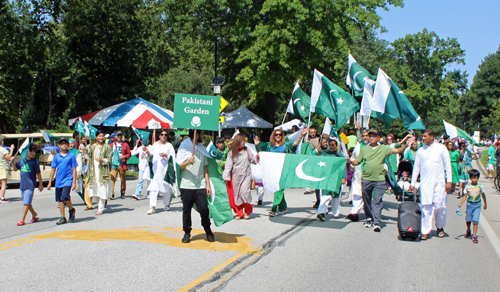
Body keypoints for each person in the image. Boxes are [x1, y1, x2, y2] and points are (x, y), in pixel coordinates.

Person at [349, 129, 414, 232]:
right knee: (366, 201)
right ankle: (369, 218)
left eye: (374, 136)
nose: (371, 138)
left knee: (377, 201)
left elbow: (397, 151)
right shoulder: (364, 149)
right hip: (366, 179)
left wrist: (406, 145)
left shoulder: (383, 148)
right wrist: (348, 160)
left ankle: (376, 222)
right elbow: (357, 162)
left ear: (378, 138)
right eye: (370, 136)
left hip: (379, 180)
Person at [410, 129, 452, 240]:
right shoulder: (420, 151)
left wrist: (449, 181)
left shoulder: (441, 148)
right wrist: (413, 183)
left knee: (440, 206)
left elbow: (448, 165)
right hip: (425, 183)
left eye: (425, 136)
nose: (423, 138)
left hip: (439, 183)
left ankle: (440, 227)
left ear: (432, 137)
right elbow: (416, 168)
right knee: (426, 207)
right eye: (422, 136)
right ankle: (425, 231)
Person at [254, 127, 305, 216]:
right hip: (273, 170)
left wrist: (301, 135)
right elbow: (260, 149)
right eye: (276, 134)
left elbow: (296, 144)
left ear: (282, 136)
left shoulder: (286, 145)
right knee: (277, 189)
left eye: (280, 134)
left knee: (279, 189)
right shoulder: (269, 145)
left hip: (283, 170)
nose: (278, 136)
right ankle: (283, 207)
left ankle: (273, 209)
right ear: (273, 136)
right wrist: (257, 144)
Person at [177, 129, 214, 243]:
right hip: (186, 185)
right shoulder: (184, 148)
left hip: (200, 185)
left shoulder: (202, 149)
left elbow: (205, 168)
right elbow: (179, 167)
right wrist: (188, 161)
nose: (204, 135)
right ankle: (187, 233)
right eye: (202, 134)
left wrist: (208, 185)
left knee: (204, 209)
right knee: (186, 211)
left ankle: (208, 230)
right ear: (196, 135)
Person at [223, 134, 258, 220]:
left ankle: (248, 211)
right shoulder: (231, 152)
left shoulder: (247, 150)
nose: (245, 142)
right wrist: (226, 176)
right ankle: (239, 213)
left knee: (244, 193)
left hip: (246, 175)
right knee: (236, 196)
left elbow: (253, 160)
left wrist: (257, 157)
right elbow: (228, 165)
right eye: (243, 141)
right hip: (236, 177)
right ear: (238, 141)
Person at [144, 129, 176, 215]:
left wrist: (166, 155)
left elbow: (173, 157)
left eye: (165, 135)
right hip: (156, 170)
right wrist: (147, 151)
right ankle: (152, 207)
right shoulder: (155, 145)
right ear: (159, 135)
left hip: (165, 170)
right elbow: (150, 155)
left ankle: (166, 204)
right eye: (162, 134)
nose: (164, 136)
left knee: (166, 188)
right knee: (154, 188)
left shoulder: (169, 146)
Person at [47, 138, 78, 225]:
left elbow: (74, 169)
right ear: (59, 146)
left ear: (68, 145)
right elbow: (53, 169)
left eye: (66, 143)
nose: (64, 145)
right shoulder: (57, 156)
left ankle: (71, 209)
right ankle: (62, 217)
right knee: (60, 199)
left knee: (65, 196)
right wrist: (49, 182)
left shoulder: (71, 156)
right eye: (62, 144)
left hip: (68, 179)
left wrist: (74, 182)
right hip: (59, 180)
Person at [11, 144, 42, 226]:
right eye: (31, 151)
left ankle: (22, 219)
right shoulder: (21, 160)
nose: (32, 153)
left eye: (34, 152)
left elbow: (39, 174)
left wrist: (40, 184)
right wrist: (12, 162)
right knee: (26, 202)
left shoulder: (35, 162)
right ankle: (34, 214)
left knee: (26, 203)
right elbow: (15, 169)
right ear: (26, 151)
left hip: (30, 185)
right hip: (22, 185)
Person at [316, 139, 347, 221]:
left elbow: (343, 167)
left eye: (333, 145)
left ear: (336, 146)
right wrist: (318, 152)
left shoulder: (340, 156)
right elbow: (318, 162)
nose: (331, 147)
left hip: (336, 179)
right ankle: (321, 212)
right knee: (325, 196)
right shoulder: (325, 155)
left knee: (335, 197)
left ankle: (335, 212)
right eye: (330, 145)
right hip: (326, 179)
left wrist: (344, 177)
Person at [85, 131, 113, 215]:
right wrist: (83, 152)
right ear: (96, 137)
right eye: (99, 136)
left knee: (102, 189)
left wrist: (102, 160)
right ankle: (100, 204)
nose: (101, 138)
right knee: (95, 190)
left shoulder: (107, 147)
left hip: (102, 172)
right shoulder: (93, 147)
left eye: (102, 136)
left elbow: (109, 159)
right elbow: (89, 158)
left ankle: (100, 208)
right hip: (93, 172)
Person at [458, 169, 487, 244]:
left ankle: (474, 235)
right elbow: (465, 196)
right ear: (470, 178)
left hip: (477, 204)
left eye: (477, 178)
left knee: (475, 220)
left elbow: (483, 195)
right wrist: (461, 203)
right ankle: (468, 230)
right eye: (474, 178)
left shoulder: (480, 186)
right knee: (468, 219)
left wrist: (485, 203)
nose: (475, 179)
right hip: (469, 204)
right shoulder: (467, 187)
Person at [346, 129, 369, 222]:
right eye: (363, 136)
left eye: (367, 135)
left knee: (368, 195)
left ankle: (370, 214)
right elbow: (354, 157)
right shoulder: (358, 145)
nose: (365, 137)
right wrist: (351, 165)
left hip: (370, 175)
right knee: (356, 193)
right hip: (358, 173)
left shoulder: (375, 146)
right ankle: (354, 213)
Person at [110, 131, 131, 199]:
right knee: (112, 178)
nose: (119, 137)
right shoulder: (112, 145)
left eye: (120, 135)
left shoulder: (125, 144)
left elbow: (129, 153)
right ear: (115, 136)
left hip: (122, 164)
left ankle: (122, 192)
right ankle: (112, 193)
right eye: (118, 135)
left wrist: (124, 156)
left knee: (123, 179)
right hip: (114, 163)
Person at [312, 136, 328, 208]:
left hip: (326, 171)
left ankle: (325, 201)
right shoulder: (317, 150)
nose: (326, 144)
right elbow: (311, 155)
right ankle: (318, 200)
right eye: (324, 142)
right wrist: (317, 151)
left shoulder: (328, 150)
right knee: (317, 187)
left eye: (326, 142)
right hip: (318, 171)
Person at [69, 139, 85, 205]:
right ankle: (64, 201)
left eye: (72, 143)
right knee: (66, 188)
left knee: (78, 188)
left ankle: (86, 199)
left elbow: (79, 163)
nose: (70, 145)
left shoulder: (77, 153)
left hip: (75, 172)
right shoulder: (66, 152)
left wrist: (78, 172)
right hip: (68, 173)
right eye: (69, 143)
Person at [0, 136, 15, 203]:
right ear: (2, 142)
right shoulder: (3, 150)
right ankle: (2, 198)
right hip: (3, 168)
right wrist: (11, 150)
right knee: (4, 183)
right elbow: (8, 157)